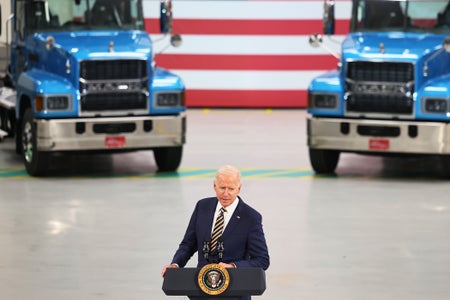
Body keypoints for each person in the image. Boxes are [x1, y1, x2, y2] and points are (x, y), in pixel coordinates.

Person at [161, 165, 270, 299]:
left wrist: (233, 266)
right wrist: (175, 264)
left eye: (231, 189)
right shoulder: (202, 206)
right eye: (222, 188)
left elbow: (262, 260)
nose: (226, 193)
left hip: (234, 293)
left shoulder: (251, 217)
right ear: (214, 186)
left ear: (239, 188)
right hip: (201, 291)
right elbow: (188, 244)